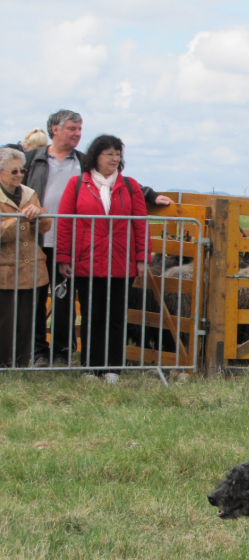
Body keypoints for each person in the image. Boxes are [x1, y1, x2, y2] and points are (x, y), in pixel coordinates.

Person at [24, 109, 171, 368]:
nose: (78, 134)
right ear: (55, 129)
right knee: (34, 300)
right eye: (72, 128)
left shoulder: (83, 163)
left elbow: (123, 186)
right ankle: (37, 353)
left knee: (65, 301)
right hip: (35, 240)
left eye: (80, 129)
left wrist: (152, 195)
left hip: (74, 246)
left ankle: (62, 352)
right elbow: (14, 184)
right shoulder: (32, 159)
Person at [55, 135, 152, 383]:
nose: (114, 158)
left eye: (118, 153)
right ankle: (90, 367)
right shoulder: (77, 184)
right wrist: (64, 256)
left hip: (121, 262)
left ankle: (112, 369)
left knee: (117, 316)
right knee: (90, 315)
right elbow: (65, 223)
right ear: (95, 156)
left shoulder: (130, 186)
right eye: (109, 153)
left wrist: (142, 257)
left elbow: (141, 225)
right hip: (87, 261)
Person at [0, 148, 50, 367]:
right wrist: (21, 218)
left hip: (32, 271)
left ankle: (21, 365)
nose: (19, 174)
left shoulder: (29, 193)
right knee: (5, 322)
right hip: (5, 271)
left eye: (22, 170)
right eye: (14, 171)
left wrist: (39, 215)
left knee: (26, 322)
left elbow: (45, 226)